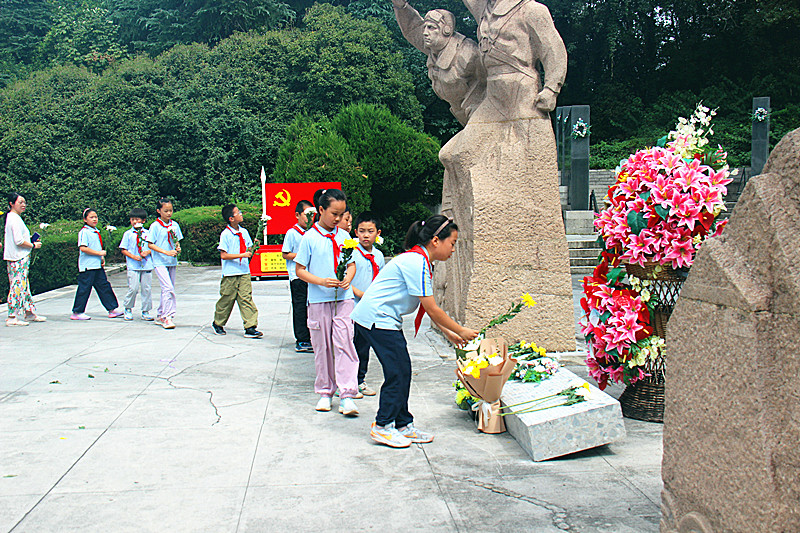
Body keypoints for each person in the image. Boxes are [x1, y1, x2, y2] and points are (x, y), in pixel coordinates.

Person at [351, 214, 479, 448]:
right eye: (452, 243)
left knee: (402, 371)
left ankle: (402, 424)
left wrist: (449, 333)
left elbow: (426, 305)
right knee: (397, 372)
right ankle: (383, 425)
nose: (453, 249)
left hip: (383, 319)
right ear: (436, 241)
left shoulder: (419, 260)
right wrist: (461, 330)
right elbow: (432, 307)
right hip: (377, 319)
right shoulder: (416, 262)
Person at [295, 189, 360, 416]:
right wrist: (321, 281)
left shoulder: (344, 238)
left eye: (341, 214)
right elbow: (300, 270)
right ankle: (325, 391)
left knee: (345, 342)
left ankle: (347, 394)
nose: (338, 219)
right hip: (319, 300)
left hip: (344, 299)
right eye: (334, 214)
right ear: (321, 210)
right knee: (322, 346)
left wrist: (348, 279)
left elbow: (351, 264)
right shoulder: (309, 238)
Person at [392, 0, 486, 125]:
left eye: (431, 28)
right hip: (462, 114)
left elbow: (490, 81)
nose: (425, 33)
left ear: (446, 30)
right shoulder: (435, 49)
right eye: (425, 27)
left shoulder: (468, 53)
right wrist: (401, 7)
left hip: (482, 112)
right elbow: (413, 29)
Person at [212, 204, 263, 339]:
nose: (241, 214)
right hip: (230, 273)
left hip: (244, 271)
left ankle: (250, 326)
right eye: (238, 212)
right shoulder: (226, 234)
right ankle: (218, 323)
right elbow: (223, 255)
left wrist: (254, 246)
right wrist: (242, 255)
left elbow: (249, 250)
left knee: (246, 298)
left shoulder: (244, 232)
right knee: (227, 299)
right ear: (231, 218)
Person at [350, 211, 385, 397]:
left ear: (377, 233)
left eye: (370, 231)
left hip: (370, 309)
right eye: (362, 231)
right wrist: (360, 293)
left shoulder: (378, 256)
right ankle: (347, 382)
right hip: (352, 306)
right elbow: (344, 279)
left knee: (364, 347)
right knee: (350, 346)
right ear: (356, 232)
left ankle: (360, 380)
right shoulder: (350, 253)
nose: (365, 235)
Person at [70, 208, 124, 320]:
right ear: (85, 219)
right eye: (91, 217)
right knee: (84, 289)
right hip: (88, 266)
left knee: (104, 286)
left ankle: (112, 308)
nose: (94, 219)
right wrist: (99, 253)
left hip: (96, 265)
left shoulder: (95, 231)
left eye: (96, 217)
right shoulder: (84, 232)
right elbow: (83, 248)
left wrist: (101, 258)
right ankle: (77, 311)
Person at [3, 192, 45, 326]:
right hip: (18, 258)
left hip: (18, 257)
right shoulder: (14, 219)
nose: (23, 205)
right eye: (20, 202)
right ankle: (12, 316)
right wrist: (33, 245)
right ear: (11, 203)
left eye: (24, 202)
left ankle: (29, 312)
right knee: (17, 286)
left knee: (23, 285)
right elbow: (19, 241)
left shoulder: (14, 218)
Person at [281, 200, 315, 353]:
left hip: (311, 276)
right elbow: (285, 253)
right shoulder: (292, 233)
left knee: (312, 307)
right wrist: (302, 255)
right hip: (297, 276)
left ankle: (312, 336)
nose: (310, 218)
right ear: (297, 215)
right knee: (300, 307)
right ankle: (302, 339)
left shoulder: (313, 233)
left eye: (312, 215)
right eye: (307, 215)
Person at [147, 198, 183, 329]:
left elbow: (177, 240)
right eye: (166, 211)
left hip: (171, 261)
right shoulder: (155, 226)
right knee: (168, 288)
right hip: (159, 261)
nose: (169, 213)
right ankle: (167, 316)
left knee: (169, 288)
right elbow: (150, 244)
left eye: (171, 210)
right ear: (159, 211)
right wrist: (165, 252)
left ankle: (160, 314)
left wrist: (177, 247)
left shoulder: (175, 225)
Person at [118, 208, 154, 321]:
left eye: (137, 219)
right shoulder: (128, 234)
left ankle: (146, 310)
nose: (134, 222)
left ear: (143, 221)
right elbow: (123, 249)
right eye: (132, 219)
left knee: (146, 289)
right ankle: (128, 308)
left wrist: (147, 252)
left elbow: (154, 247)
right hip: (133, 265)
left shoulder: (148, 233)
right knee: (133, 288)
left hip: (146, 265)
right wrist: (133, 257)